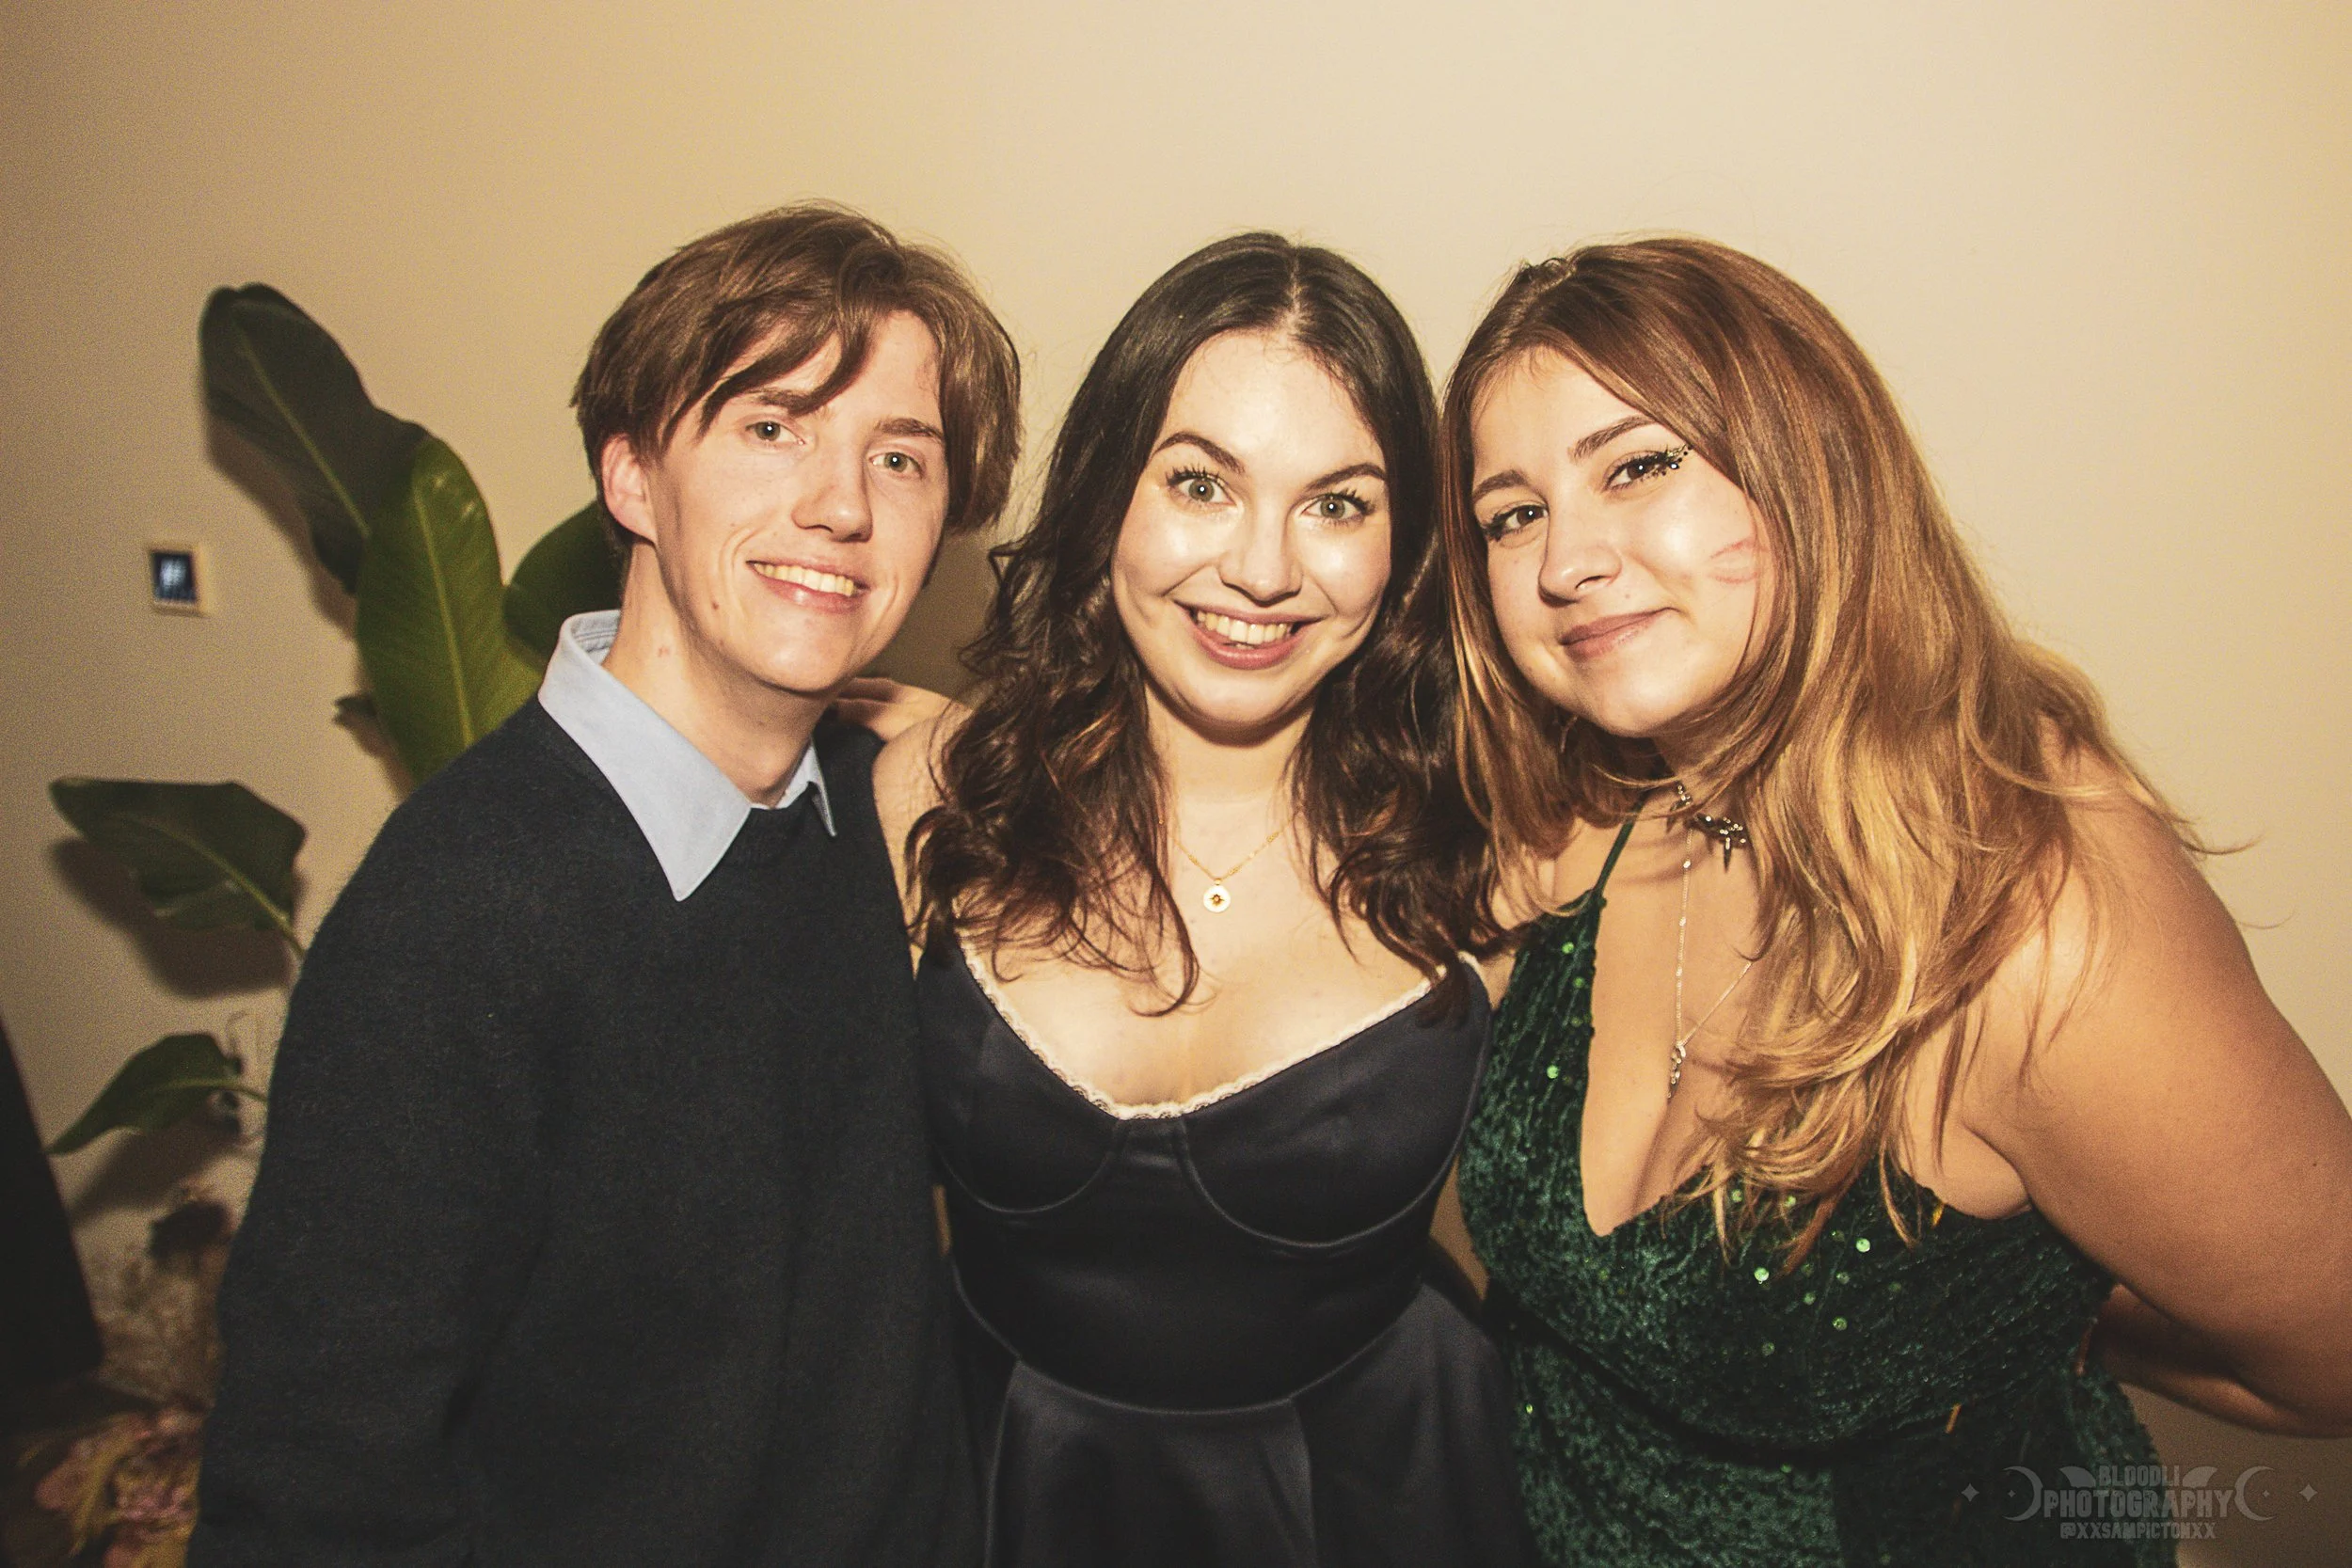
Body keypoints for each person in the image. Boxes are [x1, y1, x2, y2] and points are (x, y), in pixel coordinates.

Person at [1440, 236, 2352, 1565]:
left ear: (1810, 469)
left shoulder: (2036, 927)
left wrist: (2029, 1328)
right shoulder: (1577, 813)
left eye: (1636, 465)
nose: (1564, 559)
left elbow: (2332, 1356)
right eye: (1510, 514)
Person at [190, 203, 1021, 1567]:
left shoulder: (876, 813)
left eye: (901, 456)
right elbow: (316, 1493)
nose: (843, 504)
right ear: (631, 477)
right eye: (772, 426)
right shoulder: (459, 914)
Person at [873, 233, 1534, 1568]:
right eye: (1199, 484)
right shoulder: (932, 786)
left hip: (1383, 1498)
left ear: (1406, 546)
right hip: (1002, 1487)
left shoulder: (1499, 842)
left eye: (1337, 504)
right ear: (1107, 491)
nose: (1262, 569)